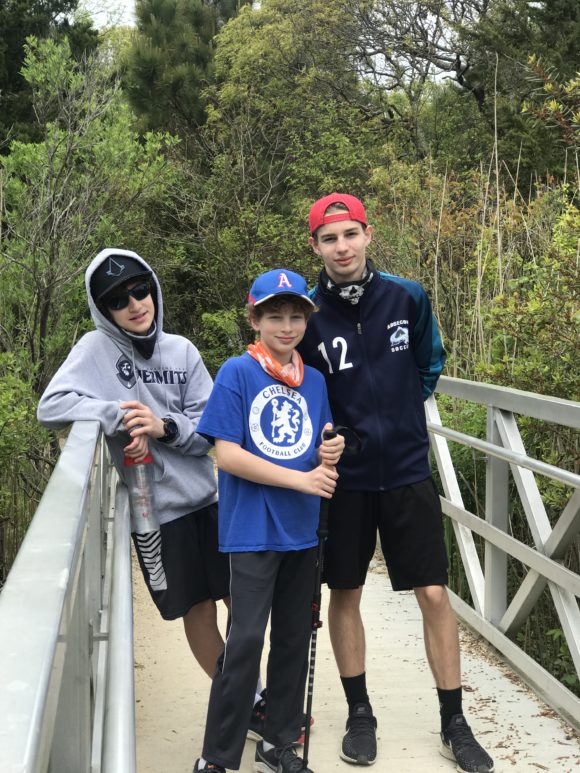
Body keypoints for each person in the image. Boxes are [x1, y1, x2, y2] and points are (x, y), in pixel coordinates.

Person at [298, 193, 495, 773]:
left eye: (350, 234)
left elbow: (430, 364)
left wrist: (404, 413)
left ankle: (453, 720)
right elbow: (300, 393)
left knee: (434, 593)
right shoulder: (305, 314)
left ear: (367, 235)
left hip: (407, 469)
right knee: (346, 593)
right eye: (330, 238)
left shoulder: (408, 296)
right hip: (346, 478)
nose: (342, 247)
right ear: (316, 246)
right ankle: (361, 713)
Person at [37, 248, 230, 677]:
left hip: (210, 501)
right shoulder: (96, 349)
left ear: (153, 289)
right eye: (118, 300)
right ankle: (248, 701)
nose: (135, 305)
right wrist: (119, 415)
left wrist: (165, 427)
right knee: (197, 610)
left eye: (140, 290)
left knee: (244, 601)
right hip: (159, 514)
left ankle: (247, 689)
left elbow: (212, 430)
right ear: (104, 311)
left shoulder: (181, 351)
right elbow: (50, 407)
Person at [192, 268, 345, 773]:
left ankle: (280, 743)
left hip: (303, 529)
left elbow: (312, 447)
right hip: (251, 528)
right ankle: (217, 756)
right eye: (274, 316)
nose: (286, 326)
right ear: (254, 318)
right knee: (246, 640)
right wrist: (302, 481)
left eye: (296, 316)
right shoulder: (238, 372)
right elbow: (228, 456)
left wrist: (330, 451)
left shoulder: (315, 380)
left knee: (294, 638)